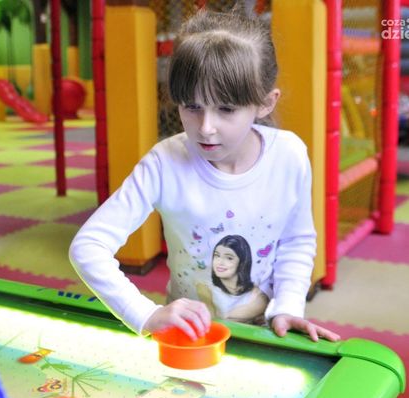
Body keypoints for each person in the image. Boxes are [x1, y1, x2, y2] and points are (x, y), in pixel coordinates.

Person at [69, 5, 340, 342]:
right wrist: (145, 314)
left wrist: (288, 306)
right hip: (190, 337)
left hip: (268, 334)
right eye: (192, 106)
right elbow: (88, 246)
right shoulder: (164, 163)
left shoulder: (289, 155)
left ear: (265, 103)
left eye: (226, 109)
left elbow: (296, 240)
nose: (206, 127)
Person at [196, 234, 269, 324]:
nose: (220, 262)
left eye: (229, 258)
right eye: (217, 255)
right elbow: (213, 321)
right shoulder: (204, 287)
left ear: (242, 262)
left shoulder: (256, 294)